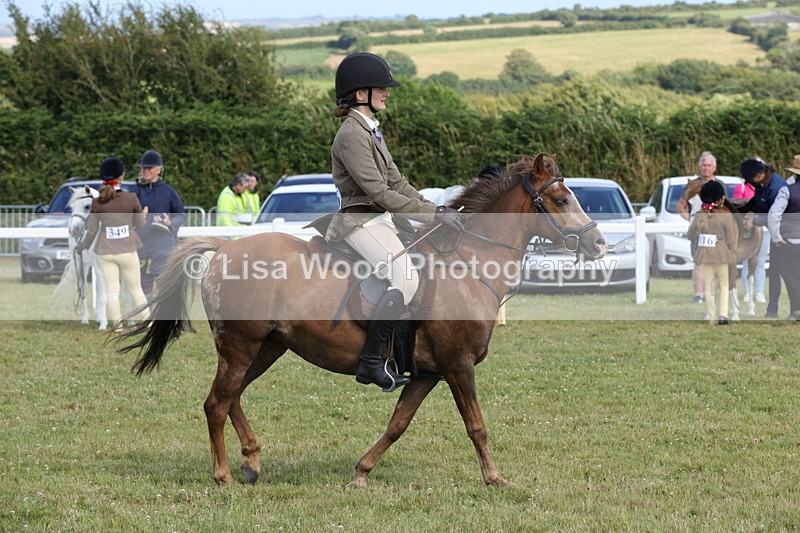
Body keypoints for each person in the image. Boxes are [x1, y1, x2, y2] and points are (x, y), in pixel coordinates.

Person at [327, 52, 466, 392]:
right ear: (361, 94)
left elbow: (398, 183)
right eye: (381, 89)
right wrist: (431, 215)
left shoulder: (371, 131)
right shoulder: (352, 134)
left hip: (380, 219)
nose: (387, 93)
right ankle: (371, 362)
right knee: (404, 277)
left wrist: (437, 210)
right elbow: (377, 192)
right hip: (360, 221)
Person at [75, 157, 148, 331]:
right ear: (121, 177)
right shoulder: (131, 198)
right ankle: (149, 324)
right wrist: (141, 217)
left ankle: (117, 327)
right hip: (128, 250)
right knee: (136, 290)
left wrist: (81, 247)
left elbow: (91, 231)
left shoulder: (97, 202)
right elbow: (140, 224)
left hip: (106, 252)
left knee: (111, 292)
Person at [740, 158, 788, 318]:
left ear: (760, 174)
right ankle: (772, 310)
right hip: (776, 235)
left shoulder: (776, 188)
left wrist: (754, 221)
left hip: (784, 234)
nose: (750, 183)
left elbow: (775, 216)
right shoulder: (761, 184)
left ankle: (793, 309)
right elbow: (757, 203)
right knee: (774, 273)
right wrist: (746, 211)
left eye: (751, 179)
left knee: (788, 275)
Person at [134, 149, 185, 299]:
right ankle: (146, 313)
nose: (145, 170)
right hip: (142, 245)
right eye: (143, 167)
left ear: (158, 170)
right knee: (144, 290)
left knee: (165, 289)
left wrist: (170, 223)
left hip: (162, 245)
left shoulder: (169, 192)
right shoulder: (135, 191)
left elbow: (180, 215)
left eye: (149, 167)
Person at [676, 151, 726, 304]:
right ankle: (698, 294)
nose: (706, 168)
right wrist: (692, 220)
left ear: (714, 167)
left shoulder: (720, 185)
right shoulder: (692, 185)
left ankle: (712, 294)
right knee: (699, 262)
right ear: (699, 167)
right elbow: (680, 206)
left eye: (709, 165)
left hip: (716, 231)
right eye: (704, 165)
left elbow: (725, 207)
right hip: (699, 231)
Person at [686, 181, 738, 325]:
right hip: (721, 254)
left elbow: (690, 235)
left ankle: (711, 315)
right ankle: (723, 315)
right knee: (724, 284)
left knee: (708, 286)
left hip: (705, 254)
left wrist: (698, 234)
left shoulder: (699, 216)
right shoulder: (725, 216)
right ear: (720, 199)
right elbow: (730, 239)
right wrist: (732, 250)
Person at [768, 173, 800, 320]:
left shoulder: (787, 190)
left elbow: (774, 214)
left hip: (791, 239)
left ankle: (796, 310)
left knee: (792, 278)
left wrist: (776, 236)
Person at [732, 178, 767, 303]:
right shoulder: (741, 187)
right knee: (746, 262)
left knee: (760, 261)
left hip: (762, 227)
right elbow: (737, 206)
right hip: (747, 228)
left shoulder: (765, 189)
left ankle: (759, 292)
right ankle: (748, 291)